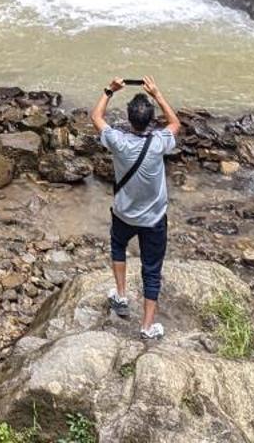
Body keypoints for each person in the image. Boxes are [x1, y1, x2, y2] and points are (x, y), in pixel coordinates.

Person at [91, 72, 181, 340]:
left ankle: (120, 296)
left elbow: (96, 117)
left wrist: (109, 90)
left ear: (129, 120)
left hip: (124, 214)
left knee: (118, 246)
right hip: (154, 218)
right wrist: (157, 94)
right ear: (151, 120)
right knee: (151, 270)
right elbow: (176, 123)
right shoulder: (159, 142)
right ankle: (146, 326)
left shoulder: (119, 142)